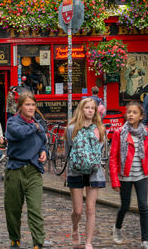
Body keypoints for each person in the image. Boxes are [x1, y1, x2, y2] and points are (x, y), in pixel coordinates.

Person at [4, 91, 47, 249]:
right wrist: (35, 127)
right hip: (15, 169)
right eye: (27, 104)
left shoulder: (37, 123)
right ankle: (15, 238)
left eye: (33, 105)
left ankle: (38, 242)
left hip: (34, 171)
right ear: (20, 106)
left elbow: (43, 141)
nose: (31, 108)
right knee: (13, 209)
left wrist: (44, 151)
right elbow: (19, 134)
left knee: (35, 209)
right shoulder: (12, 122)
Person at [65, 98, 106, 249]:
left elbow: (100, 152)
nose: (90, 110)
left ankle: (88, 242)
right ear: (81, 110)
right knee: (78, 211)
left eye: (92, 108)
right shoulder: (71, 129)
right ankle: (75, 228)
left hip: (94, 172)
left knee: (90, 208)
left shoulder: (100, 129)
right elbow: (67, 151)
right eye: (87, 108)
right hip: (75, 171)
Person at [109, 101, 148, 248]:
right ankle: (117, 228)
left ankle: (145, 239)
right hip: (124, 176)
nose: (131, 114)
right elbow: (113, 157)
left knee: (144, 207)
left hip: (141, 176)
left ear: (141, 116)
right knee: (125, 206)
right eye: (129, 112)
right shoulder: (119, 133)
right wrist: (114, 180)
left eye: (134, 112)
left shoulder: (146, 133)